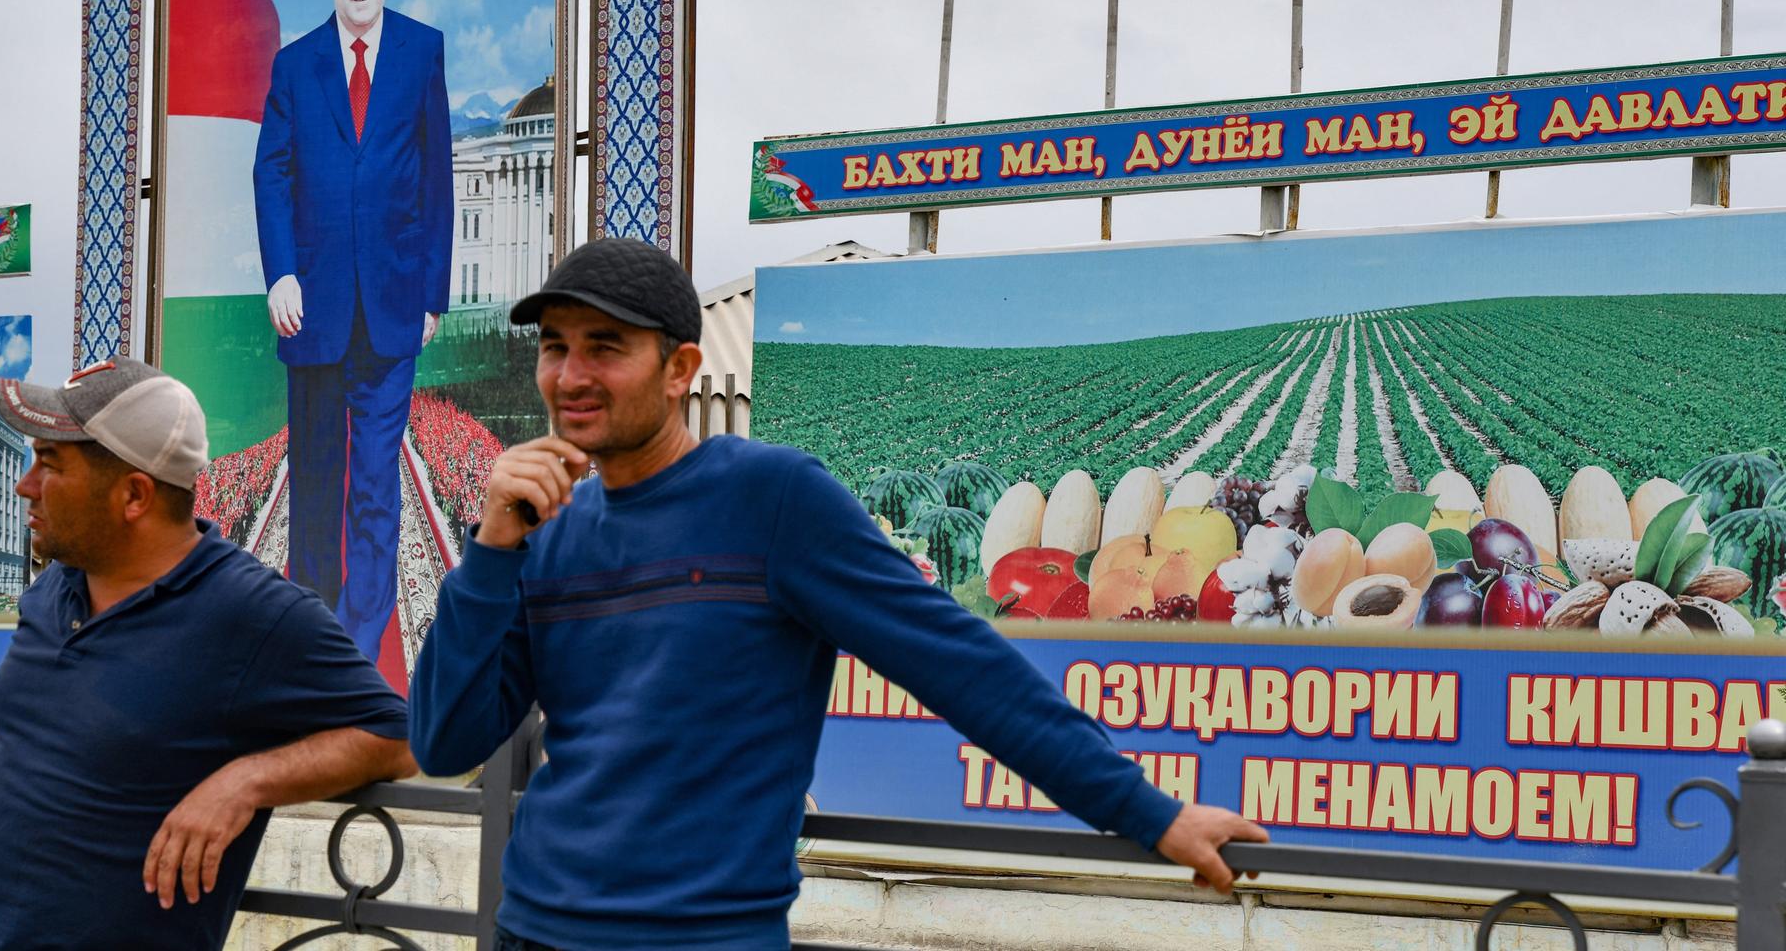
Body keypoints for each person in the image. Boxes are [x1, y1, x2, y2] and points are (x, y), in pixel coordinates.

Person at [410, 238, 1269, 950]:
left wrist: (1150, 813)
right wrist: (489, 554)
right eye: (556, 346)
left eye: (606, 346)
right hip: (531, 927)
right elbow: (447, 743)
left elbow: (961, 663)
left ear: (679, 369)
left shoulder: (774, 500)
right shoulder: (542, 530)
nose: (570, 374)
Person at [0, 357, 414, 950]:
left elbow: (400, 736)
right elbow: (11, 700)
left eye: (50, 463)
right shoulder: (58, 581)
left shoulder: (251, 612)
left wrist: (246, 781)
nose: (26, 485)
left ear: (133, 496)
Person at [253, 0, 454, 664]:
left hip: (396, 309)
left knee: (376, 488)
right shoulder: (295, 64)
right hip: (313, 313)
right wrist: (281, 274)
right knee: (314, 489)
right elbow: (271, 173)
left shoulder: (422, 51)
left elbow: (437, 176)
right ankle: (312, 643)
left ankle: (359, 652)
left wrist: (433, 292)